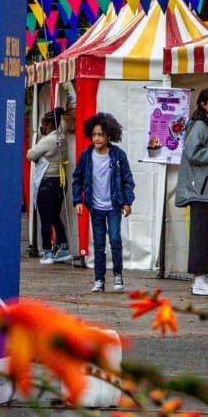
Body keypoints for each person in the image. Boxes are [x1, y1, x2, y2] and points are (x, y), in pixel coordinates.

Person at [72, 112, 135, 293]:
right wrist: (78, 201)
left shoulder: (118, 155)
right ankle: (99, 279)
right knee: (99, 244)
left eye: (100, 134)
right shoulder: (86, 156)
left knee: (115, 239)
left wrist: (127, 201)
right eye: (94, 135)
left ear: (109, 135)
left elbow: (127, 180)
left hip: (114, 205)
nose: (97, 138)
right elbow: (77, 179)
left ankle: (117, 275)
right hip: (95, 207)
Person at [175, 88, 208, 296]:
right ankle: (199, 279)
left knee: (207, 234)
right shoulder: (200, 125)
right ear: (203, 104)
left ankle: (203, 276)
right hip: (202, 189)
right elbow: (192, 152)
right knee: (201, 235)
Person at [26, 107, 72, 264]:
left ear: (51, 124)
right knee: (54, 217)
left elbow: (30, 154)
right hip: (60, 181)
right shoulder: (62, 137)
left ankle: (47, 252)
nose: (42, 128)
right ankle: (64, 247)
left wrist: (38, 142)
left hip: (47, 183)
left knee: (45, 218)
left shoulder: (48, 140)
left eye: (44, 125)